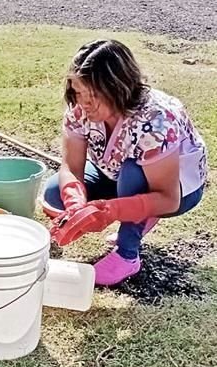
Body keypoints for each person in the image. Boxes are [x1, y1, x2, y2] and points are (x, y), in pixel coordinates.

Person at [43, 39, 207, 287]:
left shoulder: (156, 121)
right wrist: (76, 205)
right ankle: (137, 210)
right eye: (78, 91)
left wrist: (109, 212)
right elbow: (71, 168)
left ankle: (127, 254)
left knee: (133, 173)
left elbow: (168, 199)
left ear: (119, 87)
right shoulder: (80, 109)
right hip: (115, 173)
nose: (84, 103)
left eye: (94, 95)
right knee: (55, 192)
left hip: (177, 189)